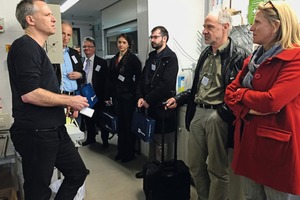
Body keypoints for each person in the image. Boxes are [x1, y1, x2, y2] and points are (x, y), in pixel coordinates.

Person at [7, 1, 89, 199]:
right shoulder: (25, 47)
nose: (54, 18)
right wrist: (68, 101)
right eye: (47, 14)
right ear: (30, 19)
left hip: (55, 130)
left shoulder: (39, 49)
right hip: (37, 135)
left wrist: (64, 104)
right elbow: (30, 94)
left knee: (77, 172)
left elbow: (42, 90)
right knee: (38, 191)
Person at [165, 9, 249, 200]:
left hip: (217, 116)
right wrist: (179, 98)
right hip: (198, 113)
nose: (204, 31)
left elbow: (241, 94)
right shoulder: (205, 53)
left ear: (225, 27)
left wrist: (221, 115)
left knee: (217, 170)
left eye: (209, 27)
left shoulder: (239, 55)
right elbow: (198, 87)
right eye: (204, 26)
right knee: (194, 166)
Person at [224, 1, 300, 199]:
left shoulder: (295, 59)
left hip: (277, 153)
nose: (251, 28)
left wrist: (241, 96)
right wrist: (246, 108)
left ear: (275, 27)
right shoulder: (253, 59)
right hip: (249, 146)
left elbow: (272, 102)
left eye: (257, 22)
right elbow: (229, 93)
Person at [135, 26, 179, 178]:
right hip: (150, 107)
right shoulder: (152, 57)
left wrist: (147, 99)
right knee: (152, 140)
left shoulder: (171, 58)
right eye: (151, 37)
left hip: (163, 109)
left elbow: (166, 85)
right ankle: (150, 170)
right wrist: (140, 96)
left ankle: (161, 175)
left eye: (155, 37)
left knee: (163, 144)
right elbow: (142, 79)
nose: (152, 40)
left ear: (164, 38)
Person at [106, 33, 142, 162]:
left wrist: (137, 95)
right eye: (119, 42)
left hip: (128, 97)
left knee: (127, 126)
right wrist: (108, 95)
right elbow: (110, 78)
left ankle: (129, 153)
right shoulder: (114, 58)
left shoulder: (133, 59)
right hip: (117, 97)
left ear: (129, 44)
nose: (121, 44)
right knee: (120, 126)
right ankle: (121, 151)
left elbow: (139, 79)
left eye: (124, 42)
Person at [81, 37, 110, 148]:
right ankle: (90, 138)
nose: (86, 48)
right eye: (85, 46)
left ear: (94, 48)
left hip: (98, 97)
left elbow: (107, 81)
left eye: (89, 46)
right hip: (86, 97)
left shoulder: (101, 62)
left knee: (101, 120)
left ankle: (105, 141)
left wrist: (106, 97)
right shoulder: (82, 62)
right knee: (88, 119)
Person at [52, 21, 85, 95]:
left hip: (74, 95)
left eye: (69, 35)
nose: (66, 38)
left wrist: (80, 75)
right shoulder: (52, 53)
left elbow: (82, 73)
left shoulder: (74, 53)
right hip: (59, 95)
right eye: (63, 33)